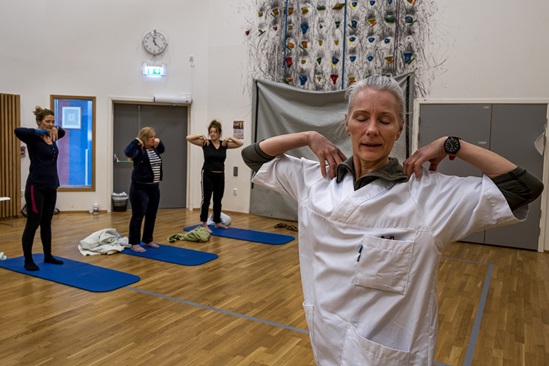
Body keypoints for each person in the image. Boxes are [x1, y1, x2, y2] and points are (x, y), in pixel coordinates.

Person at [241, 75, 543, 365]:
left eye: (385, 120)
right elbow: (253, 157)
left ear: (399, 129)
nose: (372, 129)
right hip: (326, 339)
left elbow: (523, 188)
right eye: (361, 118)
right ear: (347, 124)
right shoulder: (316, 180)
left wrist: (454, 145)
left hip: (390, 355)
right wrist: (308, 136)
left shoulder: (427, 194)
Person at [14, 106, 66, 271]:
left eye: (52, 121)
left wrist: (55, 129)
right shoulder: (33, 138)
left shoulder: (53, 137)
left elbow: (62, 132)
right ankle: (28, 260)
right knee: (33, 223)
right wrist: (39, 132)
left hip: (51, 185)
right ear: (39, 122)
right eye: (47, 121)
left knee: (47, 223)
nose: (50, 124)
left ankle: (48, 255)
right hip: (35, 186)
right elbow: (18, 130)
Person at [186, 120, 243, 233]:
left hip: (220, 175)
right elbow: (188, 138)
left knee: (218, 200)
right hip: (207, 174)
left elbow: (240, 143)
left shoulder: (224, 144)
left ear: (219, 133)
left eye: (214, 132)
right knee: (206, 199)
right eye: (210, 132)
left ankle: (217, 222)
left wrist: (229, 138)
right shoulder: (205, 143)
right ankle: (204, 223)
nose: (212, 134)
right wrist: (200, 135)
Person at [124, 127, 165, 253]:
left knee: (151, 215)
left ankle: (148, 239)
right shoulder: (138, 151)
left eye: (154, 136)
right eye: (151, 137)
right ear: (145, 138)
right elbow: (127, 152)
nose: (154, 139)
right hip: (140, 188)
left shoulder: (154, 149)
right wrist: (137, 140)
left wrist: (159, 141)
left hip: (154, 187)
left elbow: (162, 148)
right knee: (138, 216)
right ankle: (134, 243)